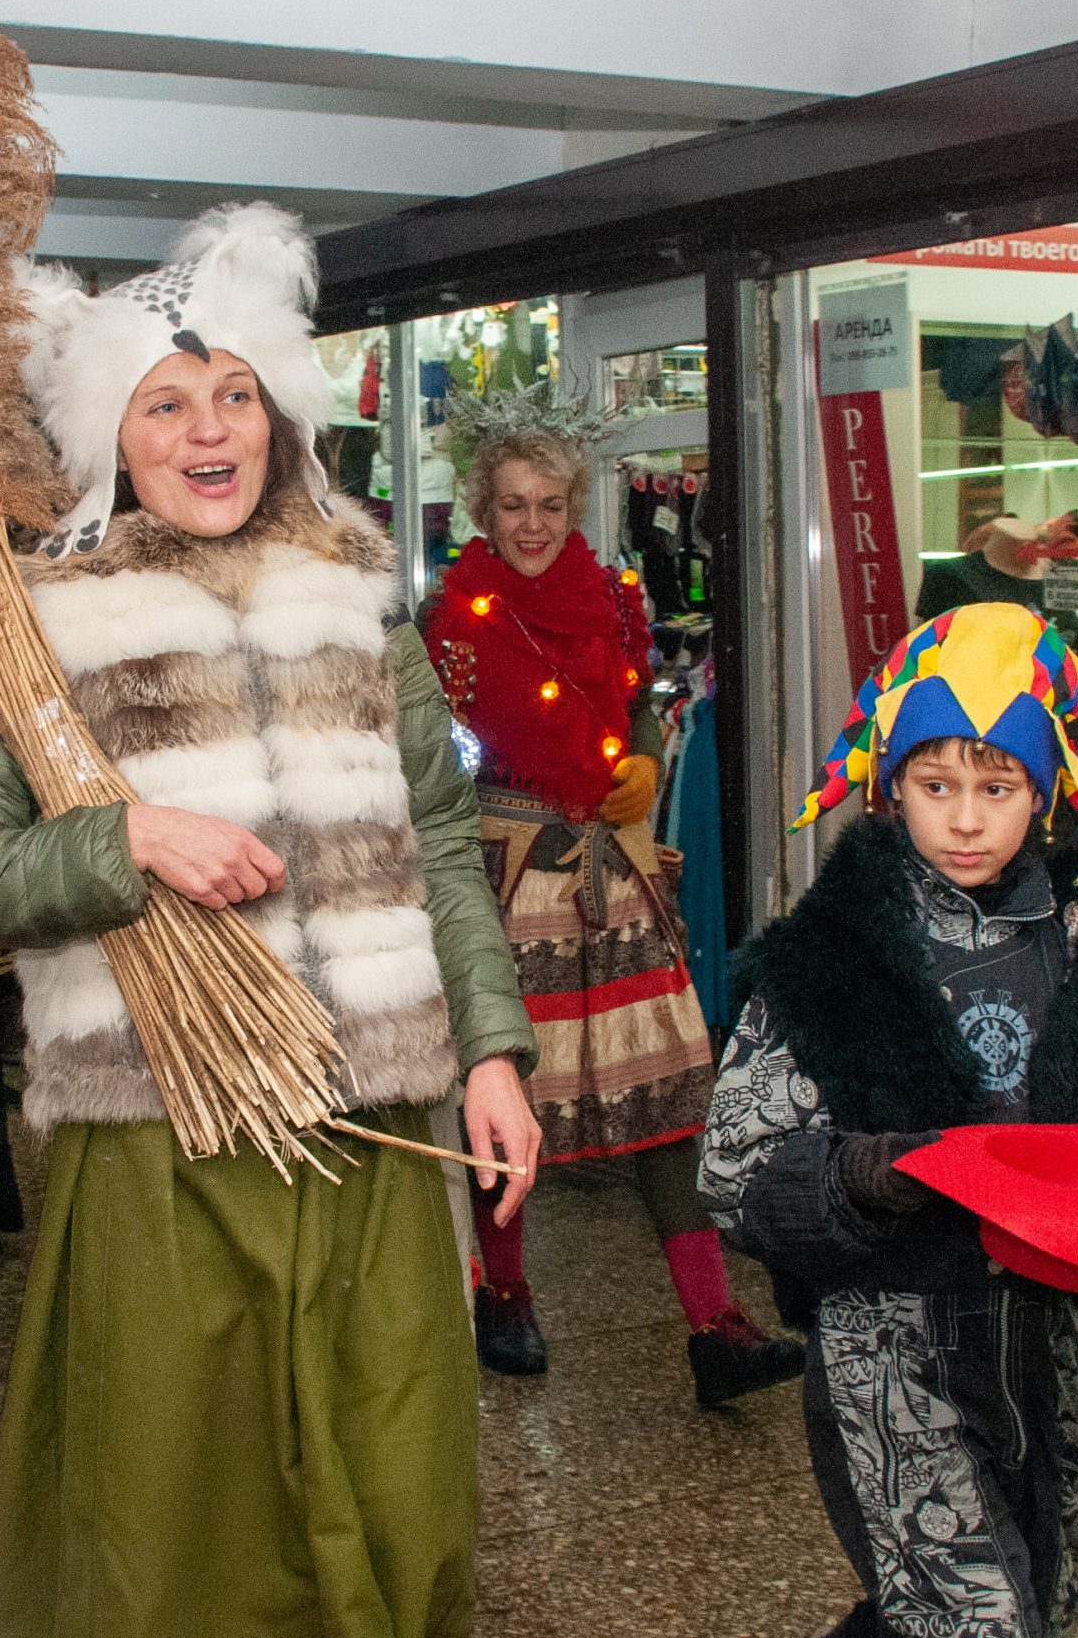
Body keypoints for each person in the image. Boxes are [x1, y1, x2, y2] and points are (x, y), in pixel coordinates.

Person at [0, 203, 541, 1638]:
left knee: (400, 1507)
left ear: (282, 414)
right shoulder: (36, 622)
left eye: (236, 394)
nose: (209, 428)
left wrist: (491, 1050)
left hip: (378, 1133)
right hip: (160, 1142)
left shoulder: (362, 603)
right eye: (166, 401)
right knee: (174, 1542)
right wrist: (117, 838)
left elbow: (438, 836)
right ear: (110, 437)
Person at [700, 603, 1078, 1638]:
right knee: (974, 1621)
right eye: (935, 785)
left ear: (1040, 795)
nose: (963, 818)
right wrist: (859, 1174)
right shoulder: (827, 961)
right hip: (885, 1351)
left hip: (1038, 1349)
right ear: (888, 785)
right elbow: (732, 1173)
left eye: (996, 788)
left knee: (1031, 1598)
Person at [420, 380, 801, 1406]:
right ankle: (505, 1295)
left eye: (550, 504)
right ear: (481, 511)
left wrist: (638, 759)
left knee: (671, 1098)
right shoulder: (447, 622)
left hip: (614, 872)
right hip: (511, 882)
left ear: (576, 504)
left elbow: (634, 707)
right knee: (508, 1101)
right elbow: (432, 761)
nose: (533, 524)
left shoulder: (620, 603)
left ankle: (715, 1324)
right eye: (513, 506)